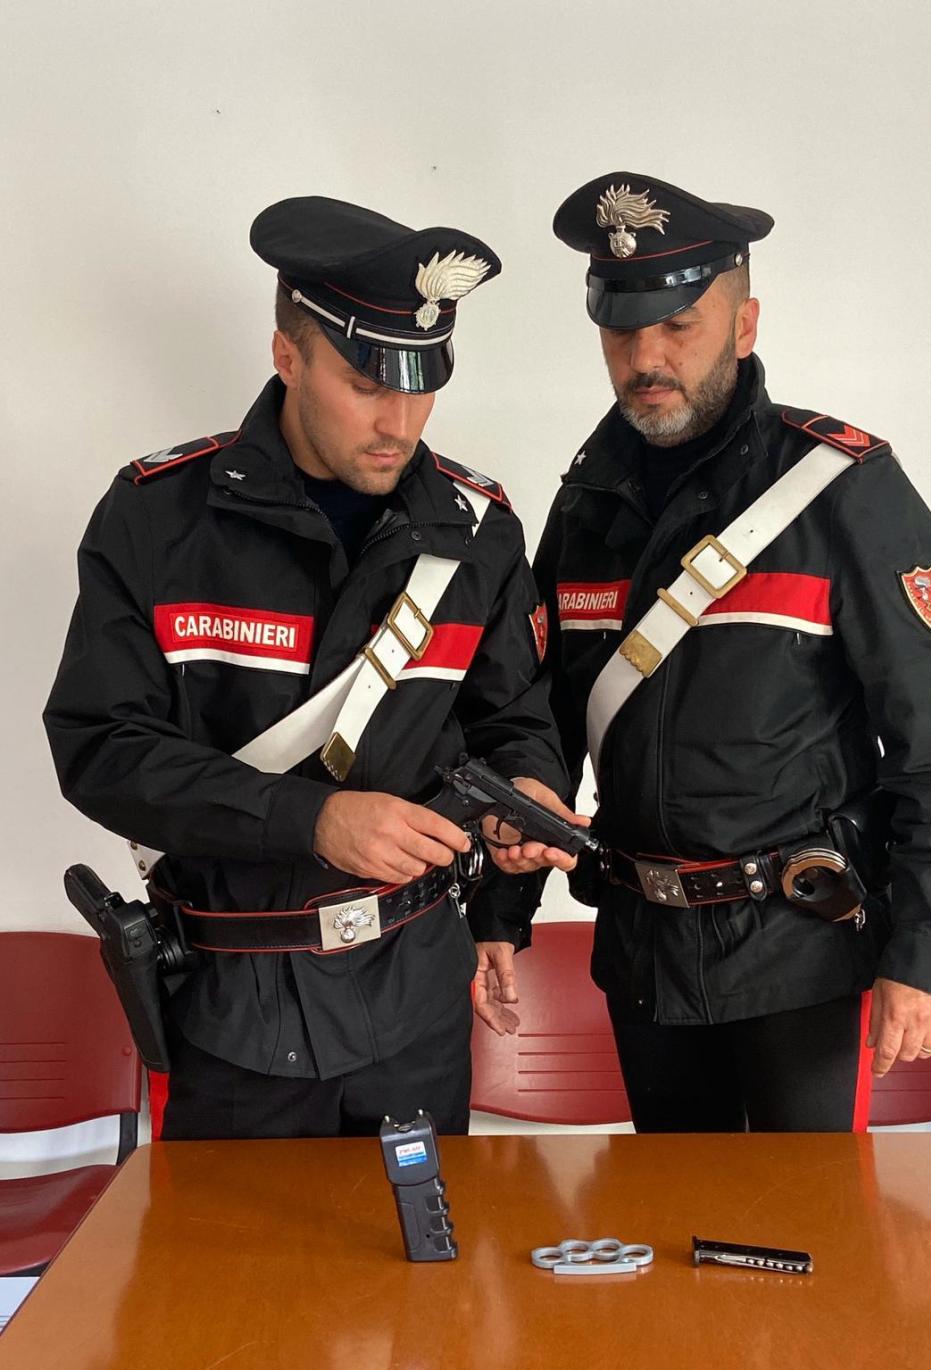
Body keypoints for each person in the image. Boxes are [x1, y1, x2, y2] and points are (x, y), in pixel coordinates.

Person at [44, 194, 584, 1140]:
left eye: (424, 385)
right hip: (230, 1010)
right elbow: (101, 749)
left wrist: (525, 794)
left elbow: (513, 720)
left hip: (415, 1007)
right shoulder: (156, 518)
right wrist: (313, 820)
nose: (400, 422)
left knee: (422, 1244)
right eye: (367, 382)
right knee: (233, 1247)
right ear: (287, 356)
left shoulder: (480, 532)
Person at [489, 171, 931, 1131]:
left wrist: (930, 957)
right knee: (668, 1217)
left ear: (745, 324)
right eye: (621, 331)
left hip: (802, 955)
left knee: (811, 1223)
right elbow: (539, 728)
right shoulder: (585, 506)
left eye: (678, 326)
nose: (646, 358)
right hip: (642, 955)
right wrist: (500, 913)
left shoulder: (843, 490)